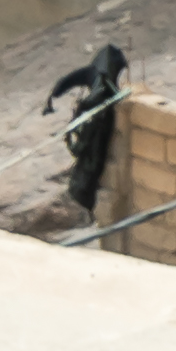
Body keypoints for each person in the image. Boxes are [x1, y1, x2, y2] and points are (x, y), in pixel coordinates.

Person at [44, 31, 128, 224]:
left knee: (91, 164)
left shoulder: (101, 93)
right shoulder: (96, 83)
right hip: (93, 127)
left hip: (97, 127)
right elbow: (70, 80)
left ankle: (87, 206)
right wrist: (54, 97)